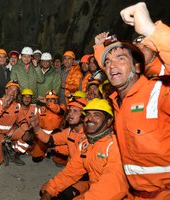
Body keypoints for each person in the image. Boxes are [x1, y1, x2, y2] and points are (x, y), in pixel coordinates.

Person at [95, 2, 170, 198]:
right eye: (107, 62)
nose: (111, 66)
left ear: (137, 67)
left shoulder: (159, 92)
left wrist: (152, 31)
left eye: (121, 58)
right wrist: (98, 47)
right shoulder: (118, 104)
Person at [38, 98, 128, 200]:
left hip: (109, 195)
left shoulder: (114, 146)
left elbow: (111, 187)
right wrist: (49, 190)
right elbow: (71, 172)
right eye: (88, 114)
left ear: (109, 121)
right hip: (93, 187)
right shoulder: (87, 144)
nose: (90, 118)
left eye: (97, 115)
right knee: (46, 190)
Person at [31, 97, 89, 196]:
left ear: (84, 116)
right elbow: (49, 140)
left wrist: (53, 188)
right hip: (71, 172)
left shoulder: (88, 137)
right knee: (44, 191)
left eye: (75, 111)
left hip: (84, 178)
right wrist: (36, 128)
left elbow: (76, 170)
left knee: (62, 195)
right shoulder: (71, 131)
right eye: (70, 111)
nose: (70, 114)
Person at [0, 80, 30, 166]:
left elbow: (22, 120)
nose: (13, 93)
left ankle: (15, 154)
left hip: (9, 134)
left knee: (28, 135)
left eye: (16, 91)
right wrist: (3, 107)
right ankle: (0, 148)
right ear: (6, 90)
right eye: (11, 89)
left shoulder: (18, 106)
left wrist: (26, 131)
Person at [30, 90, 66, 163]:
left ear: (56, 100)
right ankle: (45, 150)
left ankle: (53, 150)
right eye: (48, 99)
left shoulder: (62, 107)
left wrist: (47, 103)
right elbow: (37, 124)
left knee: (58, 160)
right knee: (36, 158)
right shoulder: (42, 109)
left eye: (52, 99)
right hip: (44, 136)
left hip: (57, 136)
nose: (50, 101)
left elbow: (59, 111)